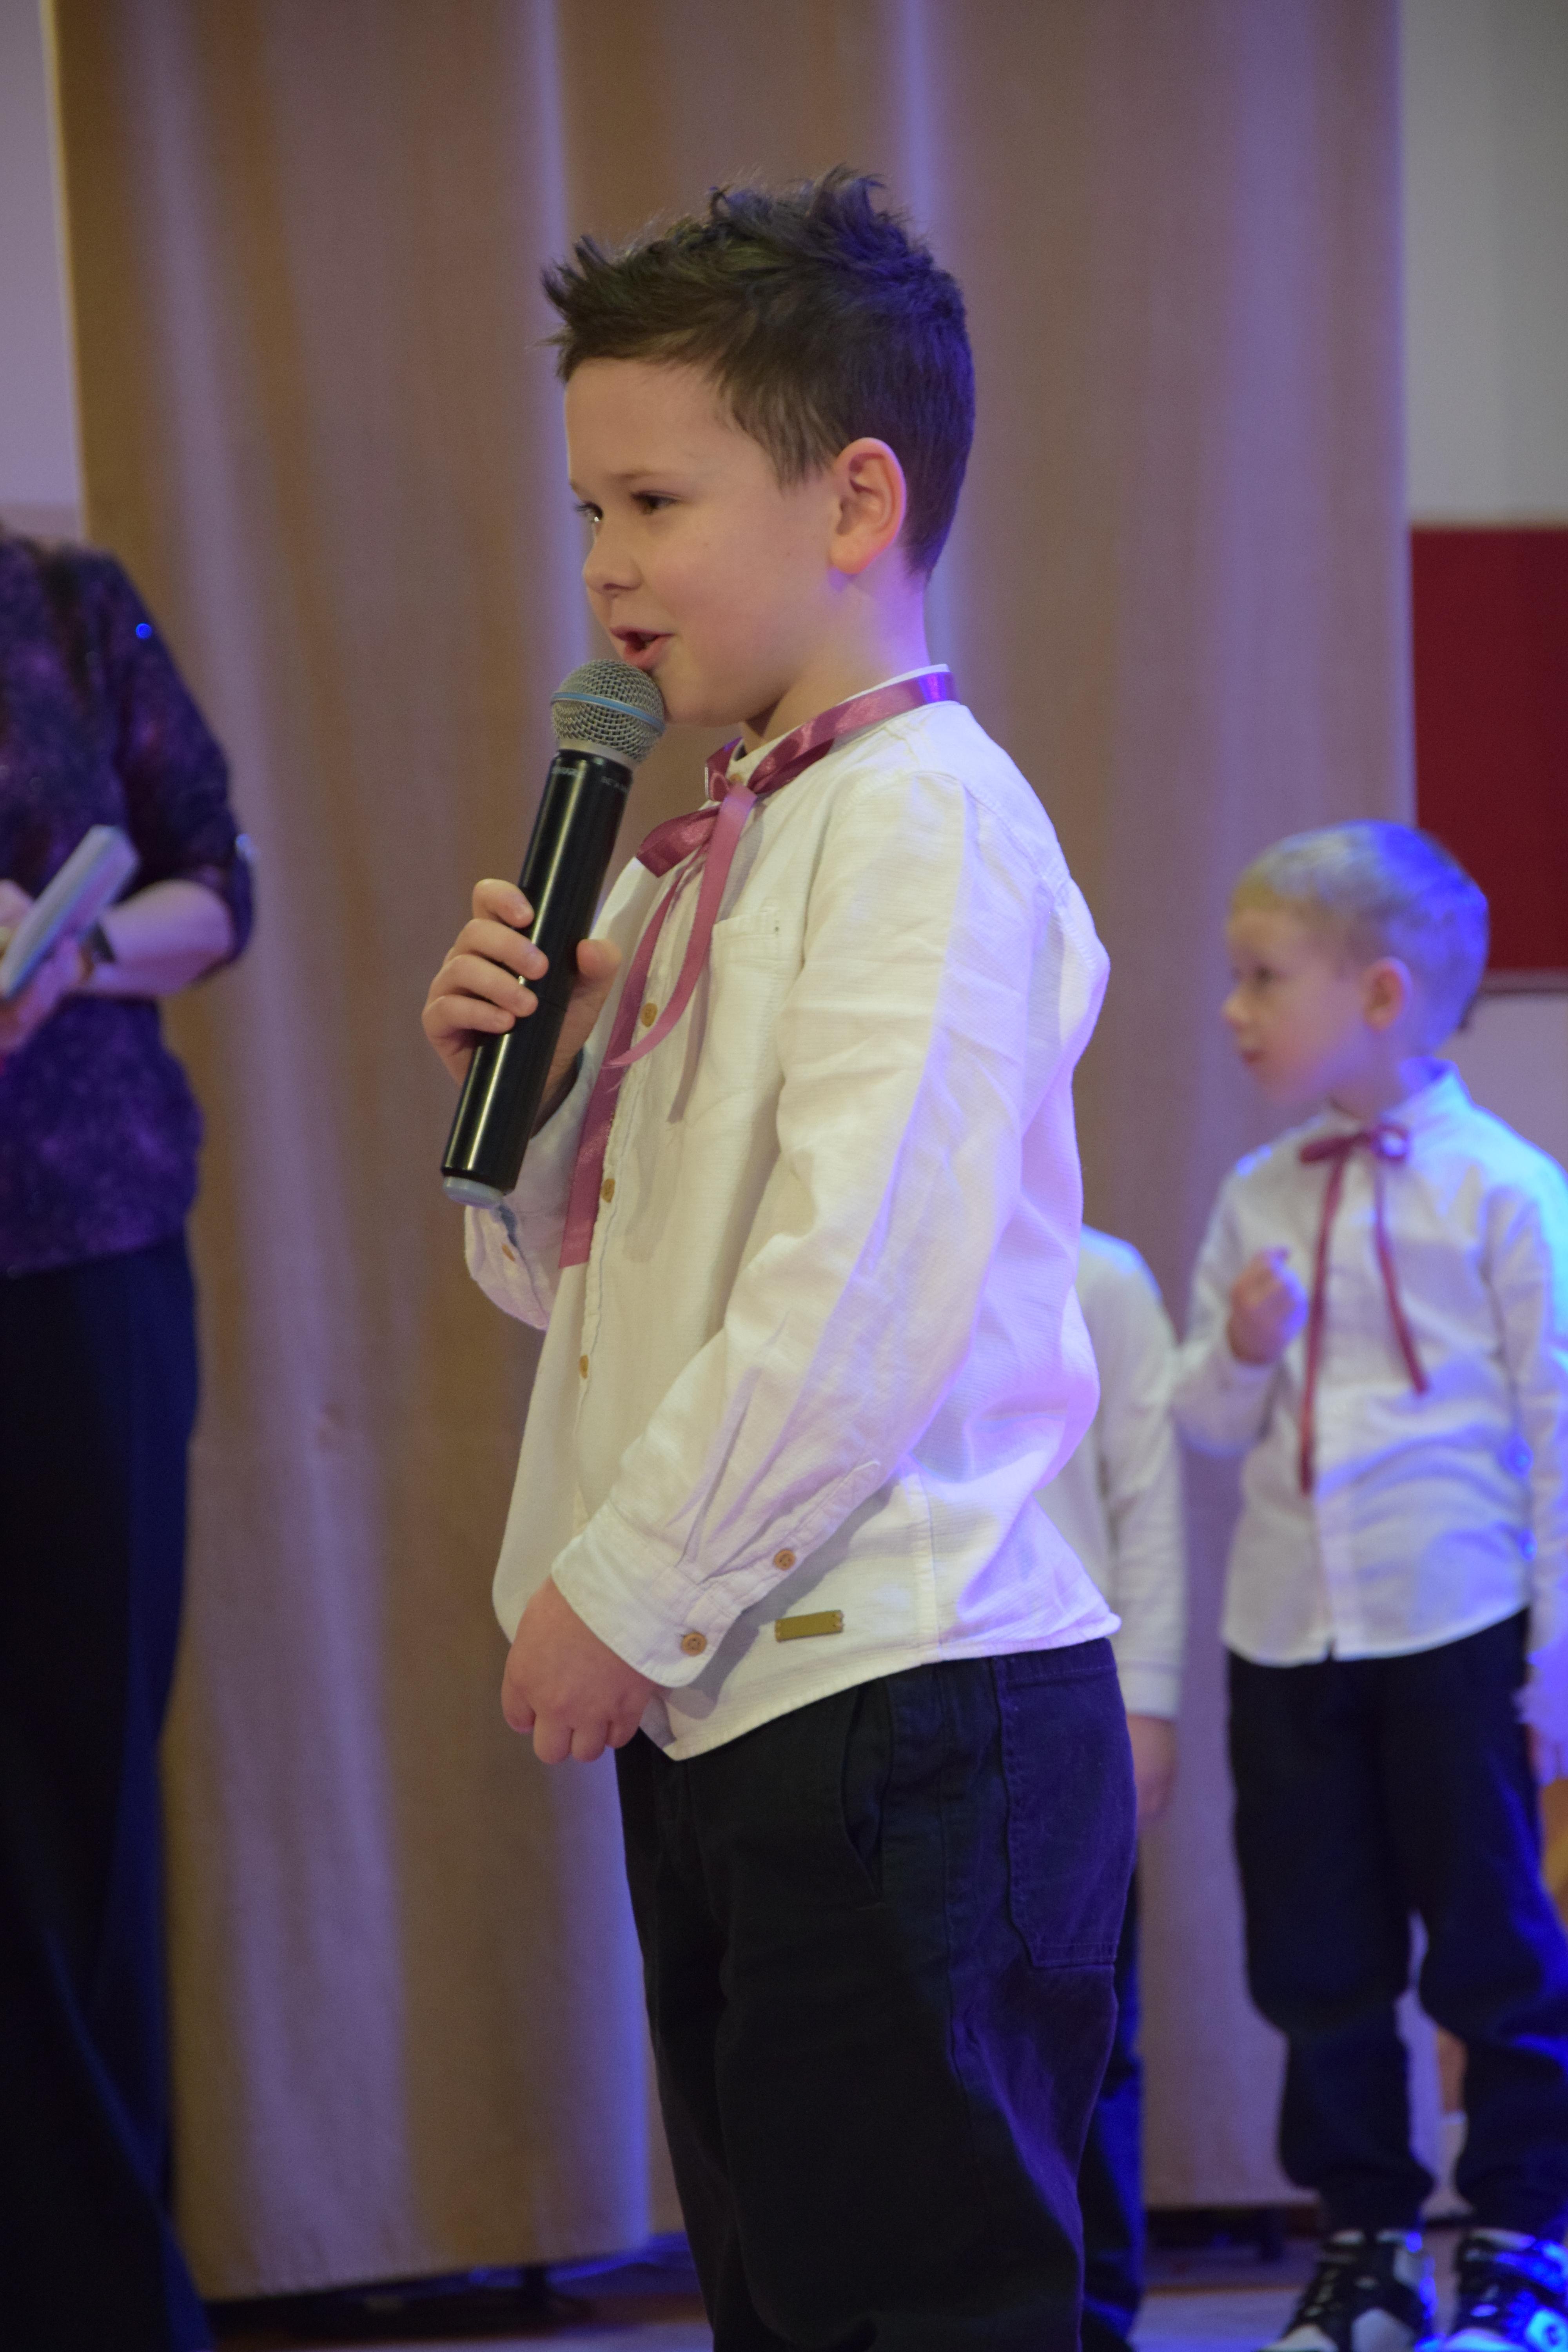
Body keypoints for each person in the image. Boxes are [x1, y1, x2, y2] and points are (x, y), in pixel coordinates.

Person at [423, 171, 1135, 2350]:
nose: (607, 567)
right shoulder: (706, 849)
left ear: (856, 501)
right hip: (753, 1687)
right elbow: (592, 1288)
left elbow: (859, 1293)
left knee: (921, 2301)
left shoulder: (924, 824)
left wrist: (624, 1591)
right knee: (793, 2292)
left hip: (907, 1698)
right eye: (588, 511)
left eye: (655, 502)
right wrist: (527, 1103)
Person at [1172, 822, 1568, 2352]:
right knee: (1314, 1955)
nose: (1233, 1010)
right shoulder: (1253, 1197)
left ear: (1383, 995)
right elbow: (1206, 1423)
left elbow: (1559, 1428)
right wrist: (1242, 1349)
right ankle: (1366, 2246)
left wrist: (1554, 1652)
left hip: (1458, 1629)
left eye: (1264, 978)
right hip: (1286, 1637)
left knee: (1496, 1946)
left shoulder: (1507, 1191)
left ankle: (1522, 2245)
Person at [0, 529, 252, 2352]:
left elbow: (215, 883)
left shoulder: (70, 613)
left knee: (77, 1797)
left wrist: (72, 949)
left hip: (82, 1253)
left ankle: (98, 2307)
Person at [1037, 1228, 1187, 2352]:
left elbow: (1147, 1496)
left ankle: (1097, 2319)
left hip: (1072, 1690)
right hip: (907, 1676)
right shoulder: (861, 1240)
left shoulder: (1101, 1276)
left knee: (1089, 2029)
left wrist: (1152, 1699)